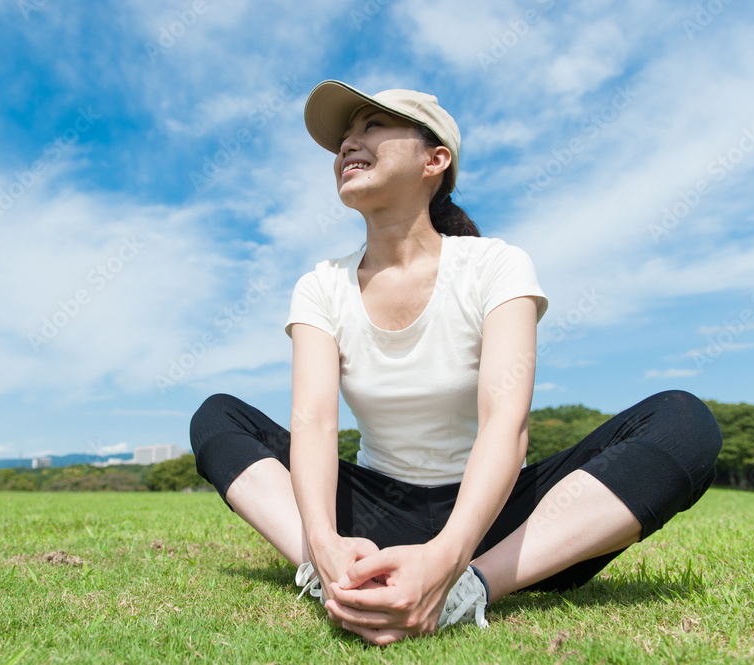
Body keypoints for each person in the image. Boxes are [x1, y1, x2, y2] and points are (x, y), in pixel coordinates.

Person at [189, 80, 722, 646]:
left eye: (371, 126)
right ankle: (331, 573)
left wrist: (448, 558)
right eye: (344, 137)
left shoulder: (496, 265)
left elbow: (504, 422)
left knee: (684, 421)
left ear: (435, 159)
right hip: (368, 511)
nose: (348, 144)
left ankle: (468, 588)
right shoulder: (321, 284)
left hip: (494, 518)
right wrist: (322, 540)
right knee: (218, 416)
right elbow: (315, 422)